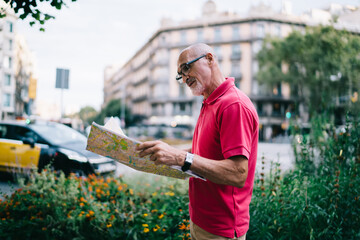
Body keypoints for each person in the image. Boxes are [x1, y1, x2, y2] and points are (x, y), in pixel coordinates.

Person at [137, 43, 259, 240]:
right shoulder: (210, 101)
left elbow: (238, 174)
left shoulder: (232, 105)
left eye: (186, 68)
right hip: (202, 222)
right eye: (180, 74)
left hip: (221, 230)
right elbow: (203, 152)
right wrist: (167, 153)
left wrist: (179, 157)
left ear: (210, 59)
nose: (184, 78)